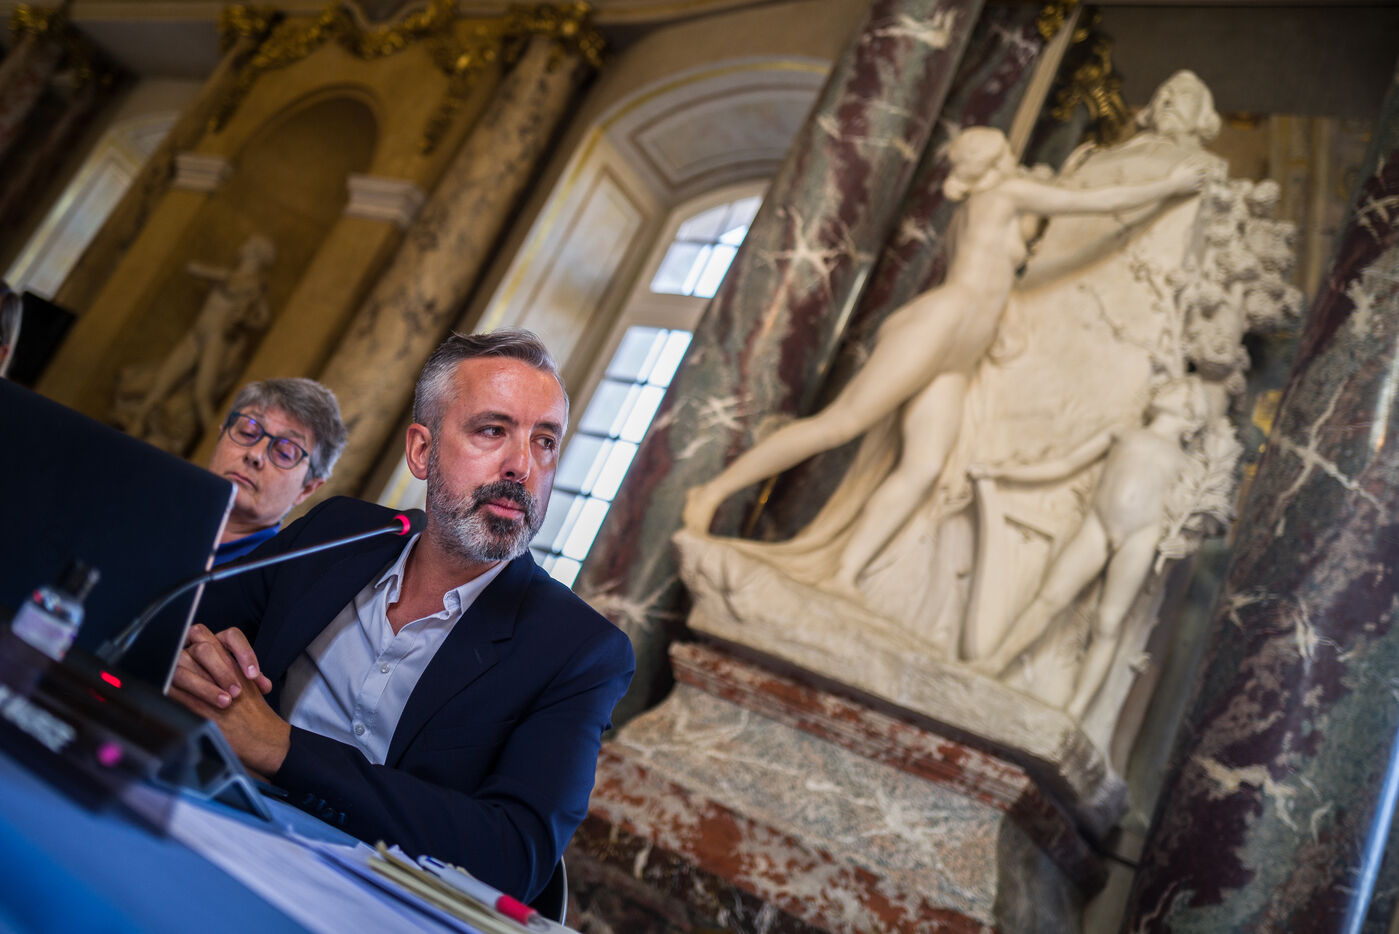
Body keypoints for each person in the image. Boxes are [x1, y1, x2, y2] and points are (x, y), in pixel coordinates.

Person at [171, 329, 636, 904]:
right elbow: (182, 628)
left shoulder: (580, 650)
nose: (522, 465)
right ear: (421, 451)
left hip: (375, 904)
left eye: (545, 441)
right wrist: (197, 656)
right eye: (492, 430)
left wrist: (280, 747)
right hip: (212, 825)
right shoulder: (337, 532)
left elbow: (514, 855)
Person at [683, 126, 1208, 592]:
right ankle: (712, 491)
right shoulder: (1003, 194)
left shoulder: (992, 203)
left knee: (924, 468)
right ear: (999, 161)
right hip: (939, 325)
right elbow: (1092, 203)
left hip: (961, 350)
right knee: (840, 424)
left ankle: (844, 573)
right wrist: (1168, 186)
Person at [973, 378, 1209, 717]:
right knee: (1050, 597)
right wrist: (1001, 472)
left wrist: (1182, 541)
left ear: (1190, 412)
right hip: (1097, 525)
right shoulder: (1123, 434)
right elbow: (1065, 465)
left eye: (1177, 389)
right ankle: (995, 662)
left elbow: (1193, 522)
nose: (1165, 388)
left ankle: (1076, 709)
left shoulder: (1186, 464)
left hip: (1141, 538)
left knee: (1108, 622)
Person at [126, 234, 277, 438]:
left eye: (250, 244)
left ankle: (219, 441)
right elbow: (194, 268)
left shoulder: (254, 286)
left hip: (214, 340)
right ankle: (133, 429)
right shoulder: (228, 275)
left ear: (255, 253)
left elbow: (263, 319)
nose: (244, 246)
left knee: (202, 396)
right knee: (160, 386)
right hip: (195, 336)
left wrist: (244, 319)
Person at [207, 377, 348, 566]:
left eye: (284, 452)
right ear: (220, 435)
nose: (255, 454)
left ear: (307, 489)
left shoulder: (276, 576)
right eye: (248, 432)